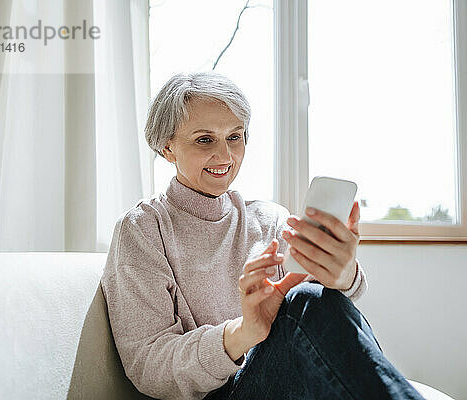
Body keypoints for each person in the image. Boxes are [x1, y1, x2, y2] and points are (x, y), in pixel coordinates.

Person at [100, 71, 424, 400]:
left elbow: (322, 331)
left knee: (312, 299)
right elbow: (148, 366)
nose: (225, 156)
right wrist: (242, 334)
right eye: (204, 139)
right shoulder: (142, 230)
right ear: (168, 147)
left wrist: (344, 276)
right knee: (305, 302)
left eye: (235, 137)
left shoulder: (269, 219)